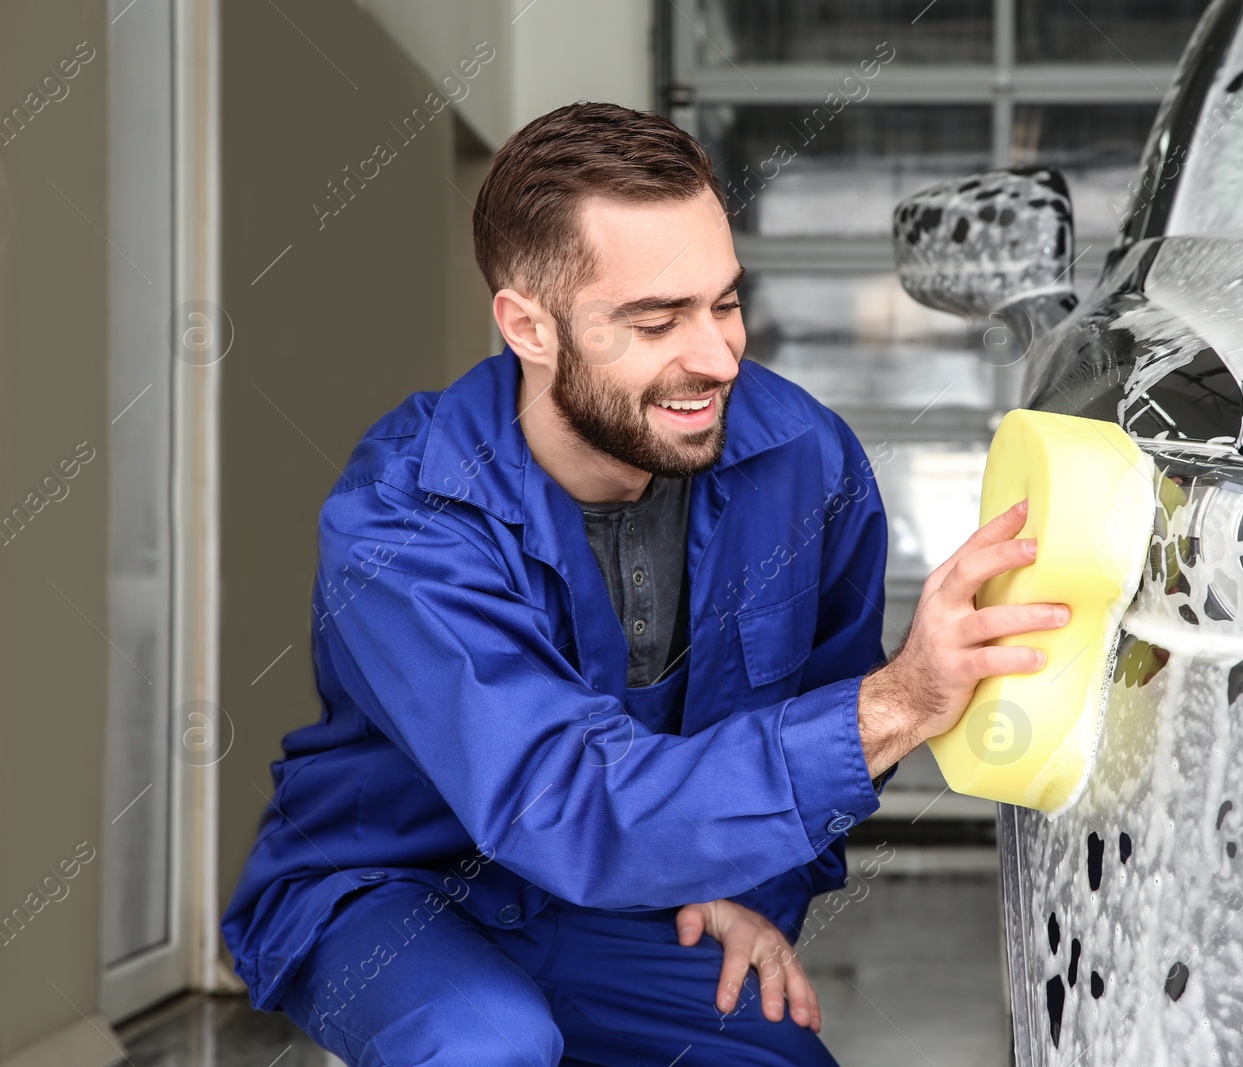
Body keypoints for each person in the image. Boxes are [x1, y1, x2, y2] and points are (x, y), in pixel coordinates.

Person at [221, 101, 1068, 1067]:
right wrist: (901, 701)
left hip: (627, 895)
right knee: (486, 1042)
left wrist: (750, 892)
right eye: (657, 320)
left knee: (776, 1058)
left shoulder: (806, 463)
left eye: (725, 302)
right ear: (529, 327)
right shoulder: (405, 517)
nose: (714, 356)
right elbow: (563, 797)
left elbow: (822, 701)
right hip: (397, 888)